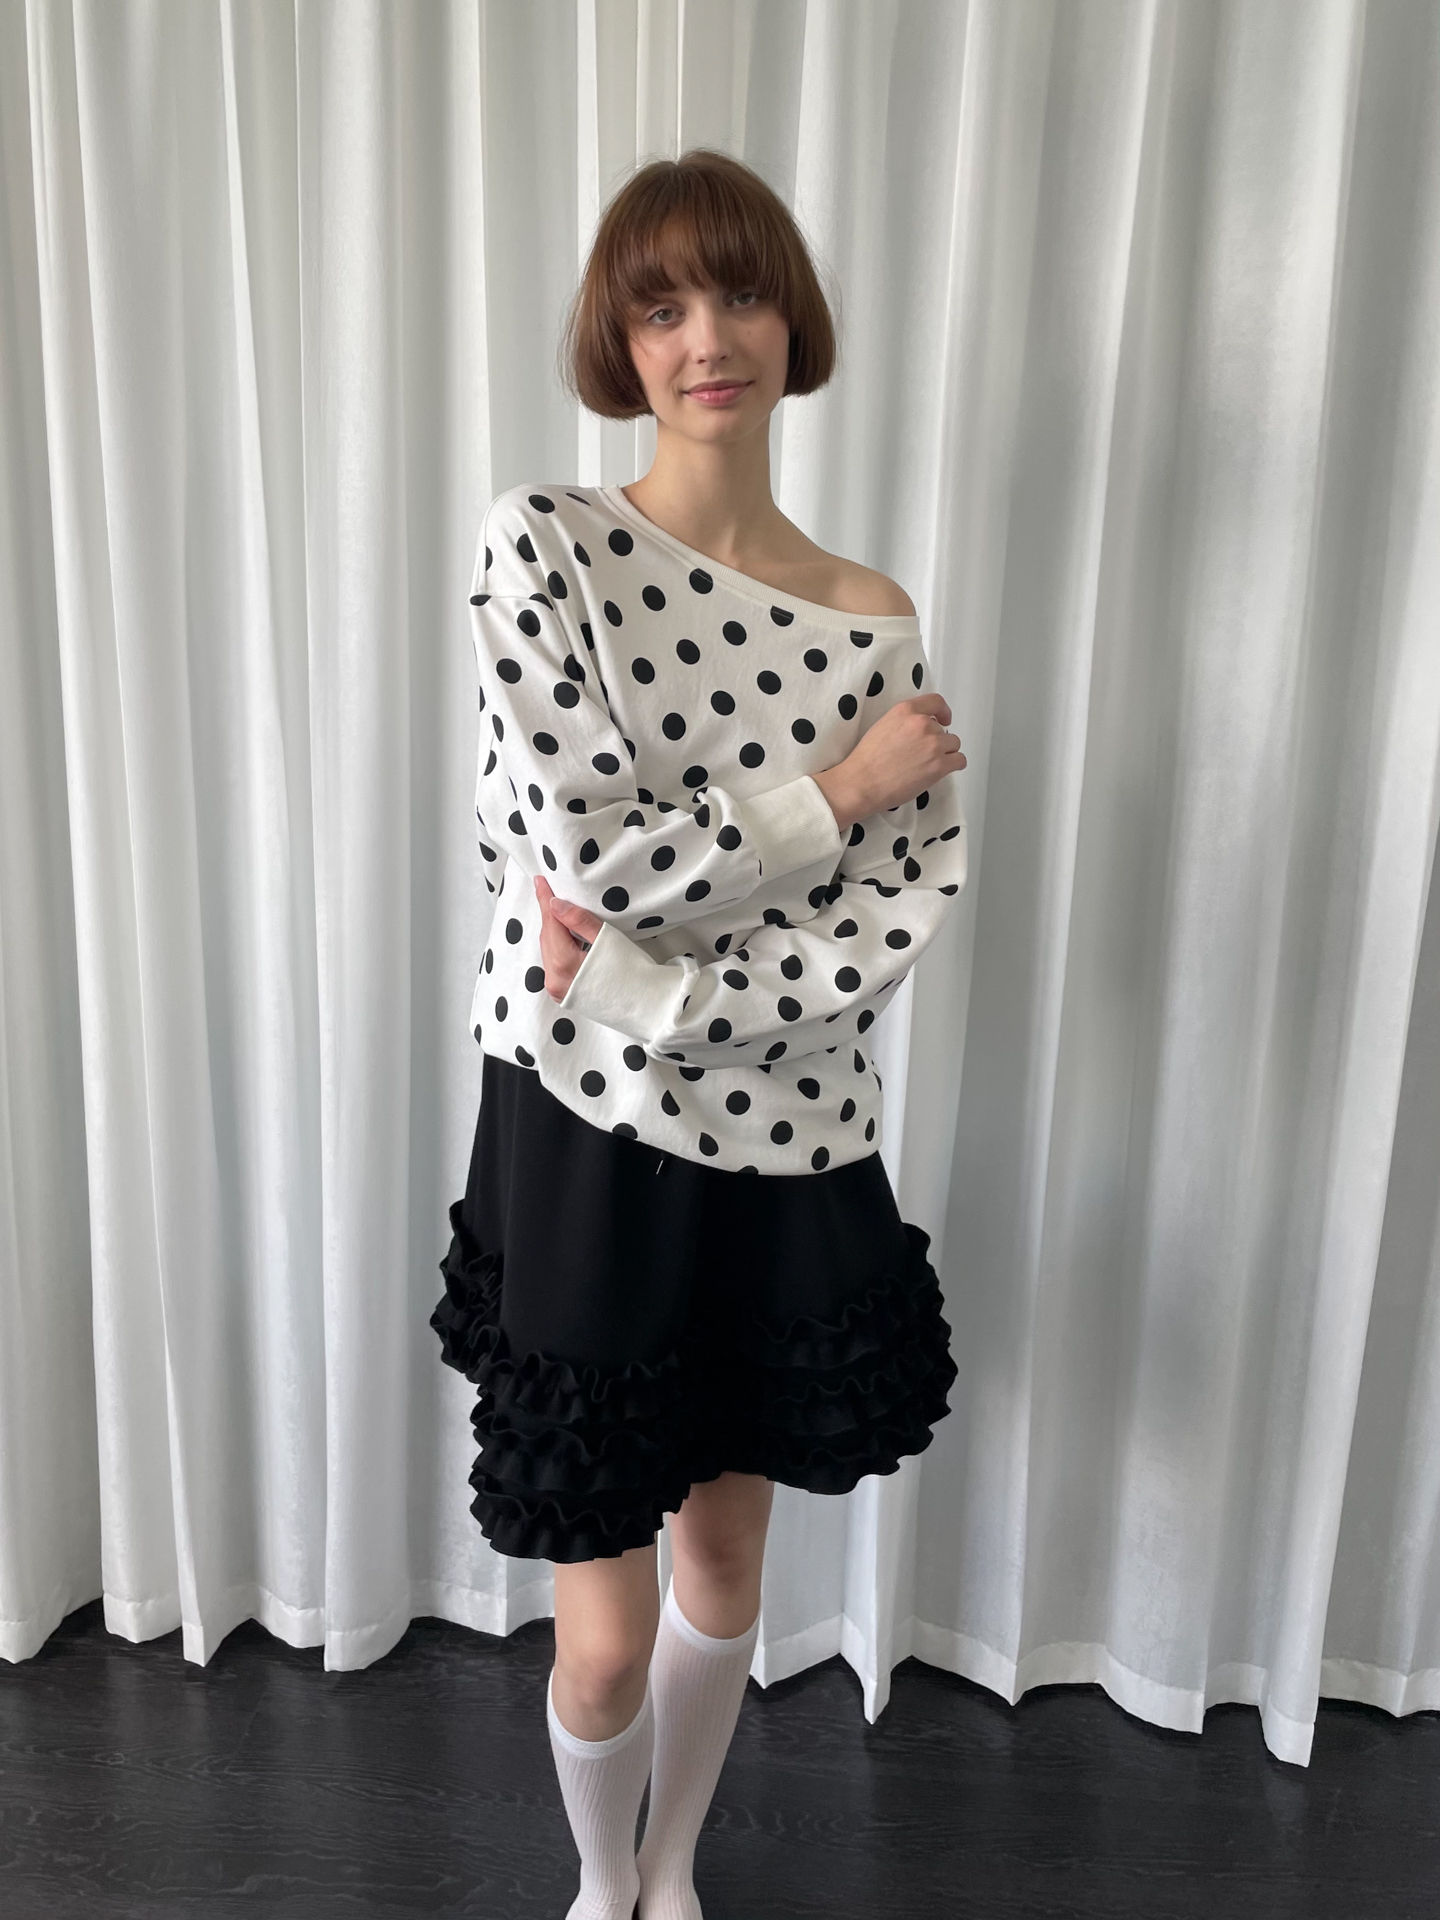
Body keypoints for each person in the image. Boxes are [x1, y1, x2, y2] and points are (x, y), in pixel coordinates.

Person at [431, 147, 968, 1920]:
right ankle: (600, 1881)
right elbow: (586, 854)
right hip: (583, 1128)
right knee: (597, 1638)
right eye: (661, 306)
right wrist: (837, 793)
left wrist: (652, 983)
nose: (707, 338)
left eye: (739, 294)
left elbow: (884, 932)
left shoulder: (872, 618)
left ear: (791, 319)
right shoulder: (547, 545)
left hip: (789, 1136)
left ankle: (668, 1875)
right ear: (620, 338)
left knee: (726, 1569)